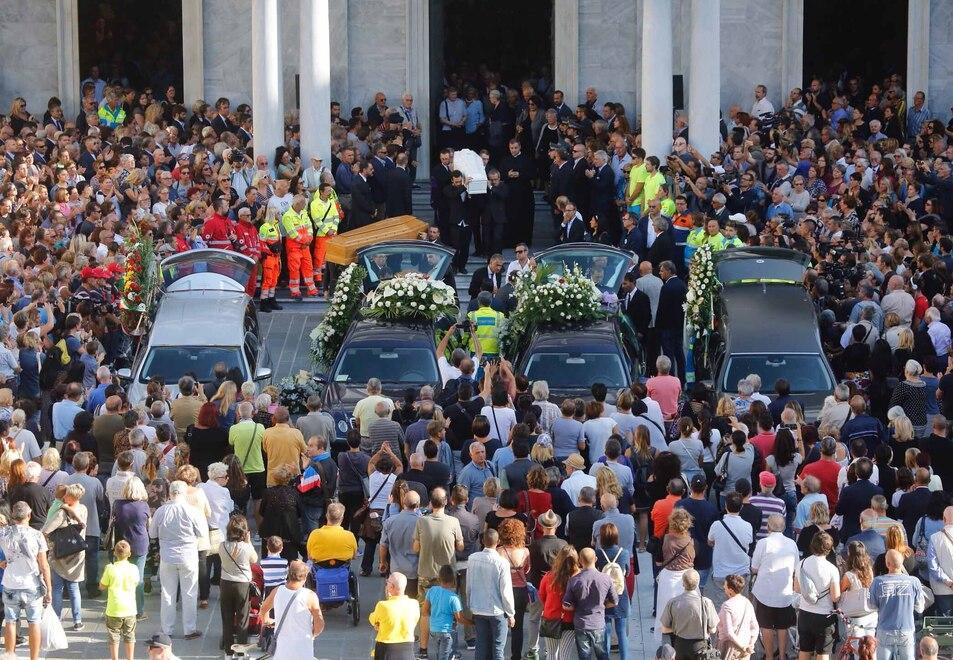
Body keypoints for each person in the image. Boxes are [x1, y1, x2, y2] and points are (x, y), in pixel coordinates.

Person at [149, 480, 205, 640]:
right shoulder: (192, 510)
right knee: (190, 593)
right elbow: (201, 532)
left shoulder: (161, 511)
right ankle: (190, 629)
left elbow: (152, 534)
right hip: (188, 555)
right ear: (185, 493)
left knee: (167, 593)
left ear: (170, 493)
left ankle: (166, 630)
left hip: (167, 556)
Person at [413, 487, 464, 658]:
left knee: (425, 612)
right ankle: (450, 649)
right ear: (447, 501)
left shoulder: (421, 521)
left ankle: (423, 649)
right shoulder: (453, 522)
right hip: (448, 574)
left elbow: (415, 548)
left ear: (430, 502)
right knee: (450, 609)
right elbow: (460, 546)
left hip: (426, 572)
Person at [0, 501, 53, 660]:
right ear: (29, 515)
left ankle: (10, 655)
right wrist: (49, 589)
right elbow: (44, 565)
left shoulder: (4, 533)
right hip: (32, 584)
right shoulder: (37, 535)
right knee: (34, 622)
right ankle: (34, 657)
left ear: (13, 516)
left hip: (10, 583)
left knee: (10, 621)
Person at [750, 514, 798, 660]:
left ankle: (769, 656)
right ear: (783, 527)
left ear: (768, 526)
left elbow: (754, 568)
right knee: (783, 626)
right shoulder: (791, 543)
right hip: (785, 592)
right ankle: (783, 656)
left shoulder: (763, 543)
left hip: (765, 592)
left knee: (766, 626)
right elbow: (796, 567)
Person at [41, 482, 87, 629]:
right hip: (76, 554)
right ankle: (77, 621)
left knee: (57, 588)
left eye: (66, 495)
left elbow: (46, 530)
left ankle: (57, 619)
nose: (63, 497)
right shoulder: (84, 509)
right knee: (74, 588)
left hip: (60, 555)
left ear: (71, 497)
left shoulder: (62, 512)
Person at [259, 560, 325, 660]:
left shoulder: (277, 591)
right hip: (303, 650)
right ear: (305, 577)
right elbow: (319, 624)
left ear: (288, 575)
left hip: (281, 653)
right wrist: (312, 634)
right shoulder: (310, 596)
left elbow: (263, 609)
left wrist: (267, 621)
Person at [868, 549, 926, 659]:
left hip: (884, 629)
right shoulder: (914, 581)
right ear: (902, 562)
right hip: (906, 629)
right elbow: (920, 608)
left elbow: (871, 607)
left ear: (887, 564)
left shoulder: (877, 582)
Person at [468, 528, 515, 660]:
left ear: (482, 541)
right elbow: (505, 591)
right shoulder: (502, 562)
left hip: (478, 608)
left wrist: (470, 605)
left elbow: (469, 585)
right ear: (498, 542)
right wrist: (511, 613)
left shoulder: (472, 559)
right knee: (498, 649)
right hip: (497, 610)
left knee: (481, 647)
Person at [563, 546, 616, 660]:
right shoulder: (606, 578)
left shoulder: (574, 580)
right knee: (603, 655)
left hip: (581, 624)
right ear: (596, 559)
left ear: (580, 561)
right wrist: (602, 605)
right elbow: (614, 601)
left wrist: (576, 607)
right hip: (598, 623)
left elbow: (566, 605)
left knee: (584, 656)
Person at [794, 531, 840, 660]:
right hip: (824, 615)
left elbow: (797, 588)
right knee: (823, 652)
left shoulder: (801, 564)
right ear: (829, 548)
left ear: (812, 545)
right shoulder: (832, 569)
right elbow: (835, 596)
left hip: (804, 613)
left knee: (804, 649)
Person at [112, 476, 150, 618]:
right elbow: (148, 525)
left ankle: (120, 607)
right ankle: (139, 610)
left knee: (121, 577)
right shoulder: (143, 506)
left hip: (121, 544)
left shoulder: (117, 504)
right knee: (137, 578)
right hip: (140, 543)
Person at [659, 569, 718, 660]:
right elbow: (713, 630)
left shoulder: (673, 602)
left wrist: (677, 628)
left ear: (683, 584)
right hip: (700, 647)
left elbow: (664, 629)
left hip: (680, 646)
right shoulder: (706, 603)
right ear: (698, 583)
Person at [707, 493, 753, 609]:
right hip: (741, 572)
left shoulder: (716, 525)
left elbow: (710, 541)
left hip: (721, 572)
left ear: (726, 506)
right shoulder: (748, 526)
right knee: (741, 606)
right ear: (741, 507)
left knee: (722, 606)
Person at [594, 522, 630, 659]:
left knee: (606, 632)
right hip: (621, 596)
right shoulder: (624, 553)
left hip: (604, 597)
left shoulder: (598, 553)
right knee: (621, 632)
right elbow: (627, 573)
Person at [538, 544, 579, 660]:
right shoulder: (578, 578)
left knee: (551, 654)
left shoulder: (548, 576)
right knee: (565, 655)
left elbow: (541, 596)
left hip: (551, 618)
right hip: (569, 619)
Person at [100, 540, 139, 660]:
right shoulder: (134, 568)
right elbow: (136, 582)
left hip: (114, 608)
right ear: (130, 554)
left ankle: (114, 658)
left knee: (114, 636)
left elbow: (102, 586)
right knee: (129, 635)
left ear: (115, 553)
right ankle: (130, 658)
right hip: (130, 609)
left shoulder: (110, 568)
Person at [369, 571, 421, 660]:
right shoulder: (414, 604)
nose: (386, 585)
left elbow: (373, 620)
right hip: (407, 649)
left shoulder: (383, 605)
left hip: (387, 650)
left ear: (391, 587)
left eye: (387, 583)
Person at [379, 490, 421, 596]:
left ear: (403, 503)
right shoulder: (421, 522)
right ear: (418, 504)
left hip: (396, 569)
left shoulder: (390, 521)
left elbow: (383, 545)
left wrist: (383, 562)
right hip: (414, 571)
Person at [422, 564, 465, 660]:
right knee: (444, 656)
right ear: (453, 580)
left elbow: (424, 611)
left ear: (439, 578)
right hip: (446, 632)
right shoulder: (454, 598)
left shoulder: (432, 591)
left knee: (438, 655)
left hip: (433, 630)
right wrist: (472, 622)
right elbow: (459, 618)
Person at [716, 574, 758, 660]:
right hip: (745, 647)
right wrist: (750, 644)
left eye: (725, 585)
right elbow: (755, 627)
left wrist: (743, 647)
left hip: (730, 649)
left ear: (730, 590)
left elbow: (729, 632)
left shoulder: (727, 606)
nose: (724, 586)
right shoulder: (747, 602)